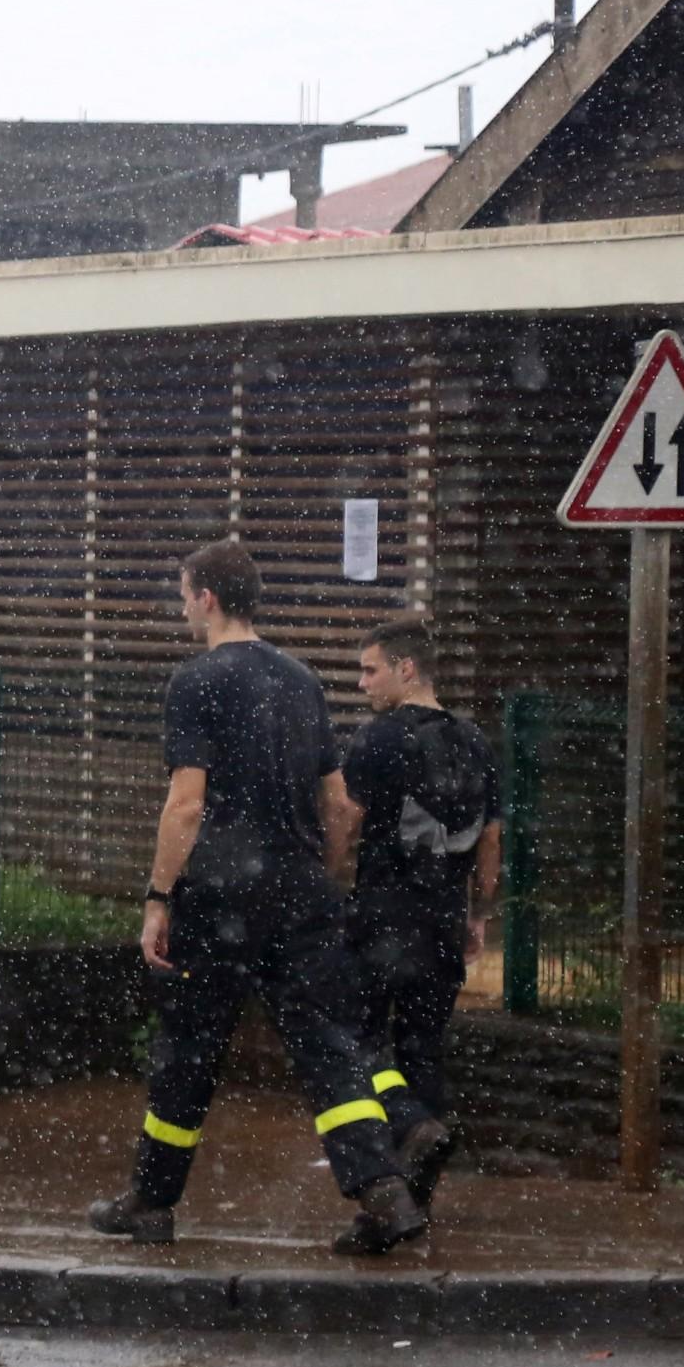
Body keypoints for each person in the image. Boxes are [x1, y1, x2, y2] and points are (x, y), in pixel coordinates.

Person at [89, 539, 426, 1257]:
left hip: (217, 896)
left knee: (188, 1048)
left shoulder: (196, 681)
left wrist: (158, 897)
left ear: (206, 597)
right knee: (327, 1047)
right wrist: (316, 874)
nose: (183, 606)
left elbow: (185, 805)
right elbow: (338, 805)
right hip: (300, 893)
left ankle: (152, 1202)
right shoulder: (301, 680)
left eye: (184, 594)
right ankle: (381, 1189)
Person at [345, 615, 500, 1208]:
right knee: (423, 1046)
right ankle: (420, 1192)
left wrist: (331, 890)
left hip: (384, 915)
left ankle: (410, 1126)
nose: (363, 684)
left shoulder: (378, 739)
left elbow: (347, 821)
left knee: (357, 1043)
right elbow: (490, 840)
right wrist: (478, 915)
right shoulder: (475, 741)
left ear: (405, 669)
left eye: (370, 669)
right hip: (442, 920)